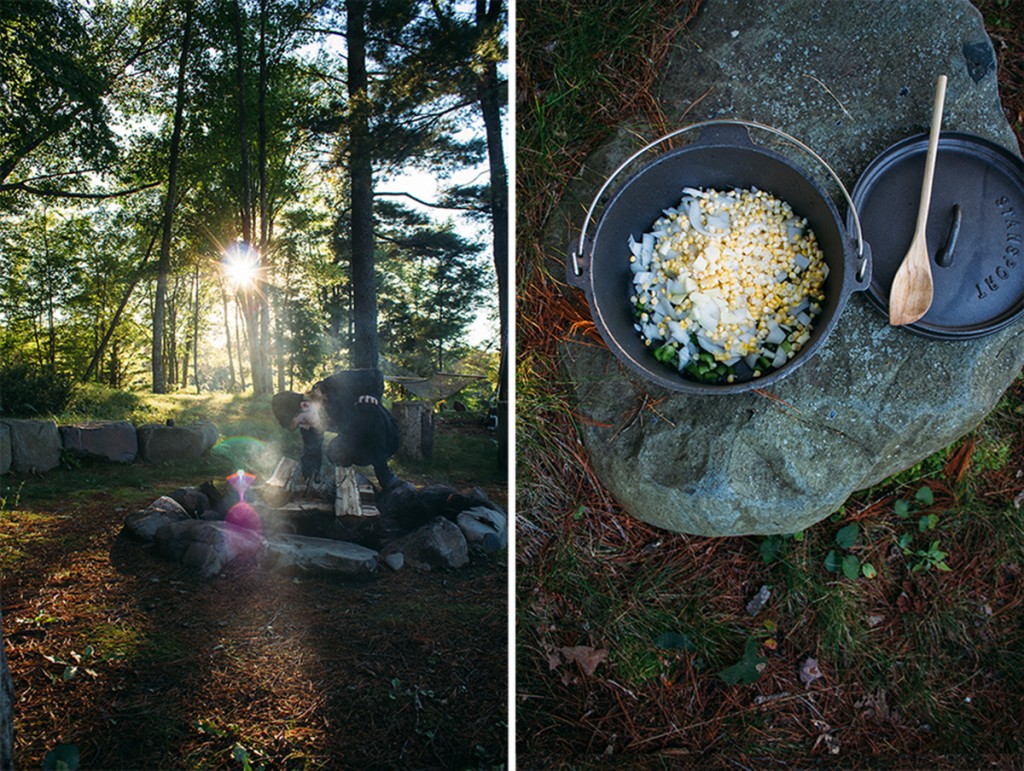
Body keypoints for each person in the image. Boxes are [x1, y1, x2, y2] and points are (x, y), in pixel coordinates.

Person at [272, 368, 400, 490]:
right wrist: (310, 480)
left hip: (388, 435)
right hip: (363, 447)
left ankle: (385, 476)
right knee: (335, 450)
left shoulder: (333, 384)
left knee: (367, 406)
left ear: (305, 405)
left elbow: (376, 375)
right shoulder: (309, 423)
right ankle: (347, 481)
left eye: (301, 421)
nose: (304, 427)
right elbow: (311, 452)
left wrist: (372, 395)